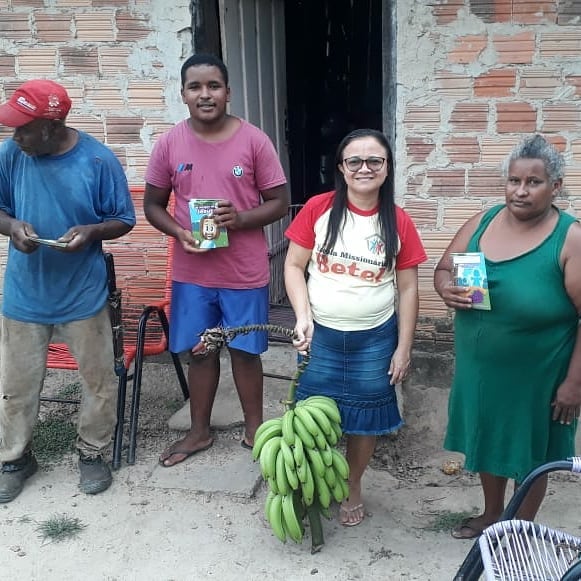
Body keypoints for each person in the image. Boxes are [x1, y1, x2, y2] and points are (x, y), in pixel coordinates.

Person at [144, 54, 290, 467]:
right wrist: (178, 231)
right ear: (183, 94)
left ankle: (255, 430)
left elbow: (279, 203)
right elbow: (152, 205)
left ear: (228, 91)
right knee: (200, 352)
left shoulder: (254, 141)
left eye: (213, 86)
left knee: (245, 351)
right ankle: (199, 432)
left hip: (244, 271)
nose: (205, 94)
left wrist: (240, 218)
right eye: (195, 87)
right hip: (193, 272)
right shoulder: (170, 143)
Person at [433, 134, 581, 539]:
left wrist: (574, 383)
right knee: (489, 441)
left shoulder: (569, 238)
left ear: (556, 186)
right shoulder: (483, 221)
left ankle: (516, 529)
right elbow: (444, 269)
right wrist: (446, 288)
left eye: (533, 182)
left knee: (532, 452)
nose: (521, 190)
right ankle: (491, 514)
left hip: (541, 374)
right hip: (482, 371)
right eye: (514, 180)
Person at [0, 79, 136, 502]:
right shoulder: (11, 154)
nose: (14, 134)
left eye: (24, 127)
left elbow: (123, 218)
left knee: (97, 381)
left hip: (83, 294)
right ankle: (14, 458)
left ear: (52, 125)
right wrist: (11, 226)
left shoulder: (97, 161)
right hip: (25, 292)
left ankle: (92, 453)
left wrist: (92, 230)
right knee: (15, 384)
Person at [284, 128, 427, 526]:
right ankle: (313, 482)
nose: (364, 168)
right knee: (314, 416)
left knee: (364, 420)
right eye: (355, 161)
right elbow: (294, 267)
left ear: (386, 169)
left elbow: (410, 288)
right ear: (342, 169)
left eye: (374, 161)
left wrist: (403, 347)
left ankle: (353, 485)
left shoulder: (397, 221)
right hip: (322, 336)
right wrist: (302, 316)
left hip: (375, 339)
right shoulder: (317, 209)